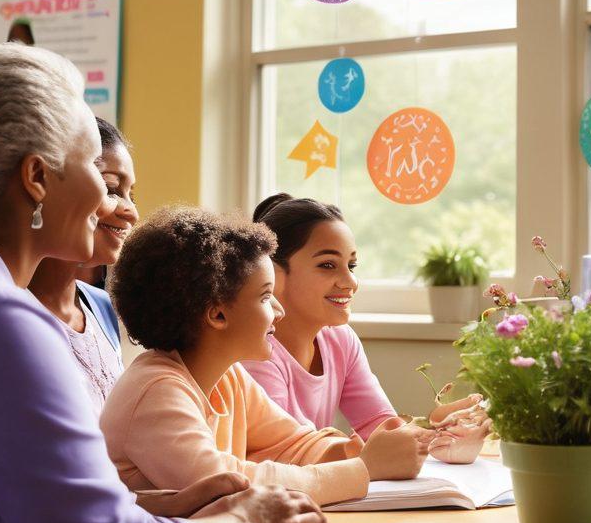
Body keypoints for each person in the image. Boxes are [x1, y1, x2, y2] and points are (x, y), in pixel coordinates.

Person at [0, 43, 326, 523]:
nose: (113, 205)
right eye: (95, 172)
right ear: (37, 179)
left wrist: (159, 507)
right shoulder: (1, 322)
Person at [100, 206, 428, 507]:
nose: (279, 310)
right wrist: (364, 469)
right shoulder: (157, 392)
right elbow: (227, 485)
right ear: (217, 315)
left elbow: (292, 443)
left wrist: (350, 451)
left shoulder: (227, 378)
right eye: (265, 297)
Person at [244, 194, 481, 460]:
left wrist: (437, 427)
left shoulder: (340, 340)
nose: (350, 282)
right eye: (327, 265)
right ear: (272, 274)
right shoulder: (254, 351)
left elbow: (380, 427)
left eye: (351, 265)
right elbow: (285, 450)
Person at [30, 118, 137, 415]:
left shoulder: (101, 307)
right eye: (111, 189)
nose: (132, 212)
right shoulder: (4, 312)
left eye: (132, 194)